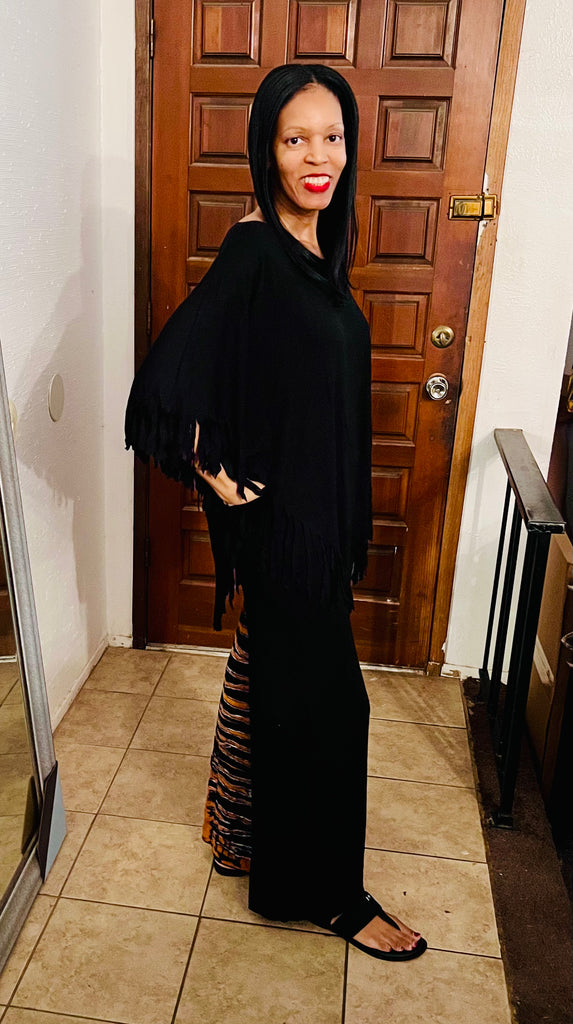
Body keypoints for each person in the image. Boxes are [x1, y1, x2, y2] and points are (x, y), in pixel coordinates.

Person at [125, 63, 427, 962]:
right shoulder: (254, 250)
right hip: (284, 534)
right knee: (331, 710)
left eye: (331, 137)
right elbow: (162, 389)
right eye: (296, 138)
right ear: (266, 147)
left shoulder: (316, 249)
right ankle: (327, 896)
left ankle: (249, 840)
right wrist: (222, 479)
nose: (316, 156)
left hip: (316, 532)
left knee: (283, 693)